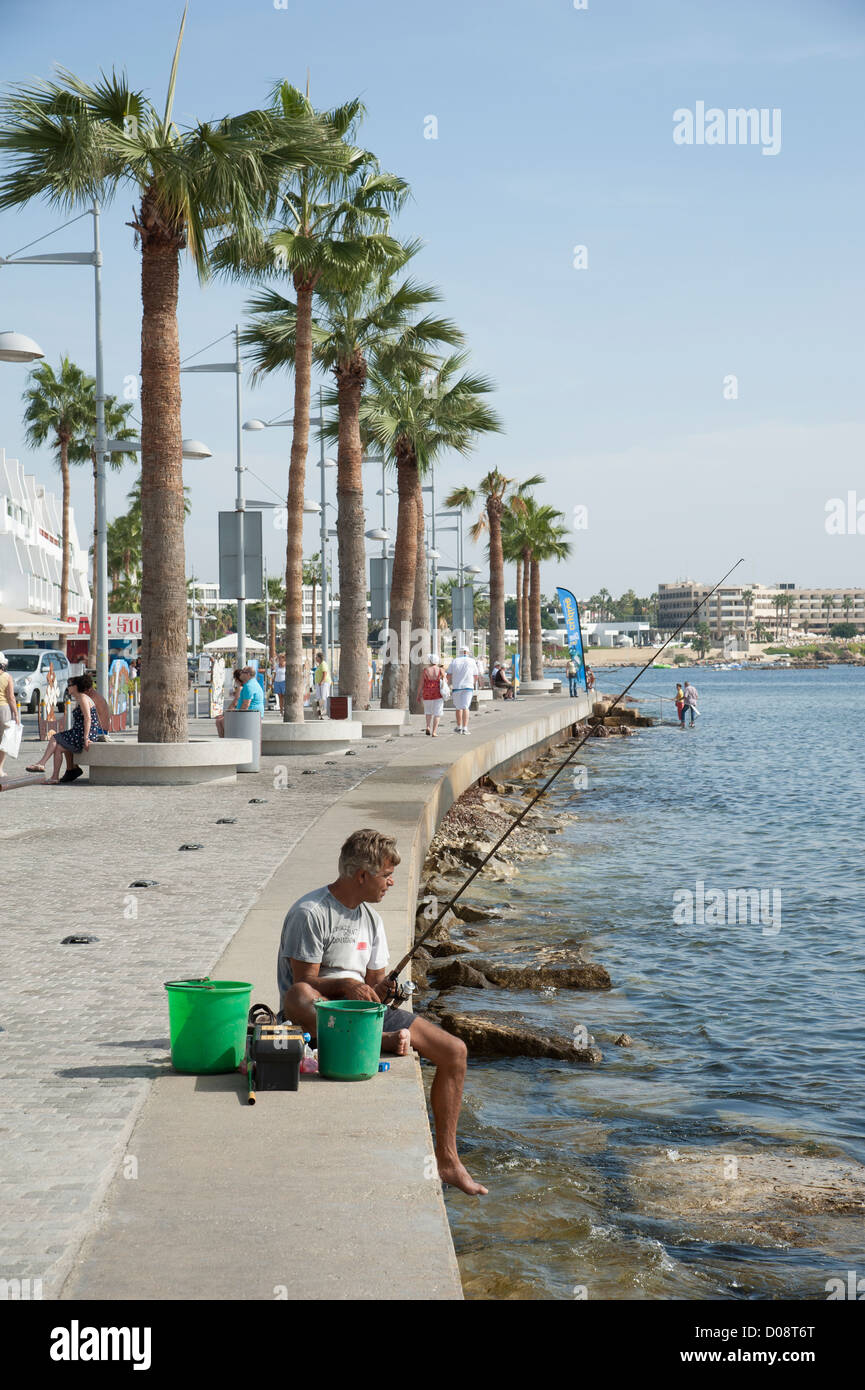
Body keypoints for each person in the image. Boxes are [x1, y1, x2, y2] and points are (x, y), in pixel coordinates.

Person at [278, 828, 486, 1196]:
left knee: (455, 1051)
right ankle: (381, 1041)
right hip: (317, 1012)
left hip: (362, 1014)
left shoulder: (372, 920)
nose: (392, 882)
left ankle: (448, 1160)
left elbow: (373, 985)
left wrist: (383, 990)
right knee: (297, 995)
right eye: (386, 874)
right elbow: (304, 980)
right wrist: (343, 985)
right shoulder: (310, 913)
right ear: (361, 875)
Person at [25, 673, 105, 783]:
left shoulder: (82, 698)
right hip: (79, 732)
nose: (68, 687)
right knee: (58, 748)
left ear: (76, 686)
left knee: (55, 737)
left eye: (70, 684)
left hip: (83, 734)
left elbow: (88, 718)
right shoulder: (80, 698)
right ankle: (54, 777)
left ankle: (42, 764)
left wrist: (86, 738)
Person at [0, 651, 22, 780]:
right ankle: (0, 769)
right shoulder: (7, 677)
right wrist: (16, 714)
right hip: (3, 710)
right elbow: (11, 697)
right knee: (3, 740)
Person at [448, 645, 479, 734]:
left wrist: (448, 685)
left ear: (460, 652)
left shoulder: (454, 661)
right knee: (465, 707)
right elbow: (476, 675)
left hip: (457, 687)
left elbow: (449, 674)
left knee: (458, 708)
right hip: (468, 687)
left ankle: (459, 726)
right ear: (468, 652)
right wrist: (473, 683)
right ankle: (465, 728)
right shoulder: (472, 661)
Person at [418, 653, 446, 737]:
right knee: (437, 713)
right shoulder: (441, 670)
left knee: (428, 711)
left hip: (427, 693)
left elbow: (421, 684)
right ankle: (434, 732)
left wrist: (418, 695)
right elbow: (445, 682)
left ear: (430, 661)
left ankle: (427, 726)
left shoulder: (425, 670)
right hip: (437, 693)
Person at [215, 668, 243, 737]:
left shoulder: (240, 688)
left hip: (239, 714)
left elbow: (235, 703)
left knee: (219, 721)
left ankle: (223, 740)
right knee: (219, 720)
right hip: (239, 713)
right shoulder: (241, 687)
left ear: (236, 679)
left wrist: (226, 713)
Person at [313, 652, 331, 720]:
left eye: (316, 657)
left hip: (324, 683)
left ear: (320, 658)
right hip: (319, 683)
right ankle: (321, 712)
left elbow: (325, 673)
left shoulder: (323, 664)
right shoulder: (319, 665)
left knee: (324, 697)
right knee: (319, 698)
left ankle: (325, 712)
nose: (315, 658)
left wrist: (322, 681)